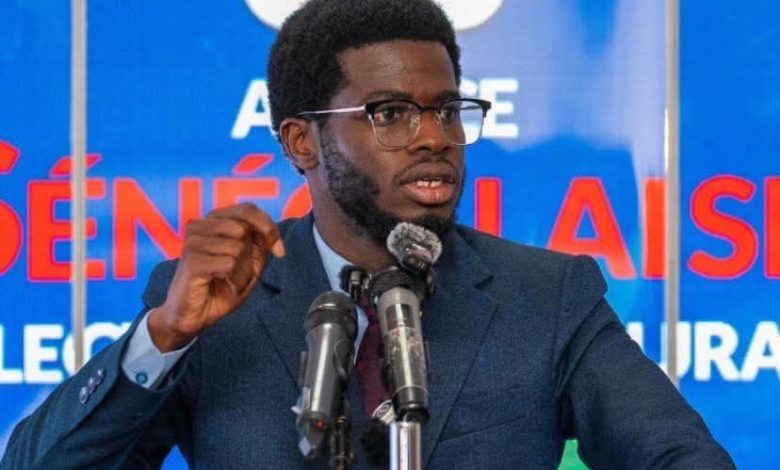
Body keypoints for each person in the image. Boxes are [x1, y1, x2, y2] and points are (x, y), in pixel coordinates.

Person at [1, 0, 735, 468]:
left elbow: (681, 456)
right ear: (302, 142)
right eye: (390, 114)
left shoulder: (544, 296)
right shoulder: (212, 304)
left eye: (447, 109)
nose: (435, 137)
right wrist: (164, 336)